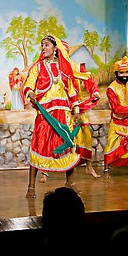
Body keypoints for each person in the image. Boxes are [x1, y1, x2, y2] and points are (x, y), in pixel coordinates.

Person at [23, 35, 81, 198]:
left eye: (47, 45)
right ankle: (31, 186)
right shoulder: (38, 67)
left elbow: (72, 91)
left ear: (55, 48)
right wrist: (31, 92)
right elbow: (28, 84)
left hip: (62, 112)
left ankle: (70, 183)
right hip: (45, 113)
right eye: (42, 45)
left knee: (67, 143)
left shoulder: (64, 68)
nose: (43, 47)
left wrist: (76, 110)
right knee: (38, 145)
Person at [39, 40, 100, 183]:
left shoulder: (73, 67)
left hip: (76, 107)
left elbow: (89, 80)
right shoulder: (49, 67)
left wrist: (94, 91)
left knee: (85, 135)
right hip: (59, 109)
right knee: (51, 136)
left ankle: (88, 166)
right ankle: (45, 171)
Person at [102, 56, 128, 178]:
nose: (124, 75)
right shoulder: (111, 89)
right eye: (121, 72)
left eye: (126, 72)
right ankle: (106, 169)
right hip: (119, 121)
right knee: (112, 144)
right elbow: (117, 109)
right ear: (116, 73)